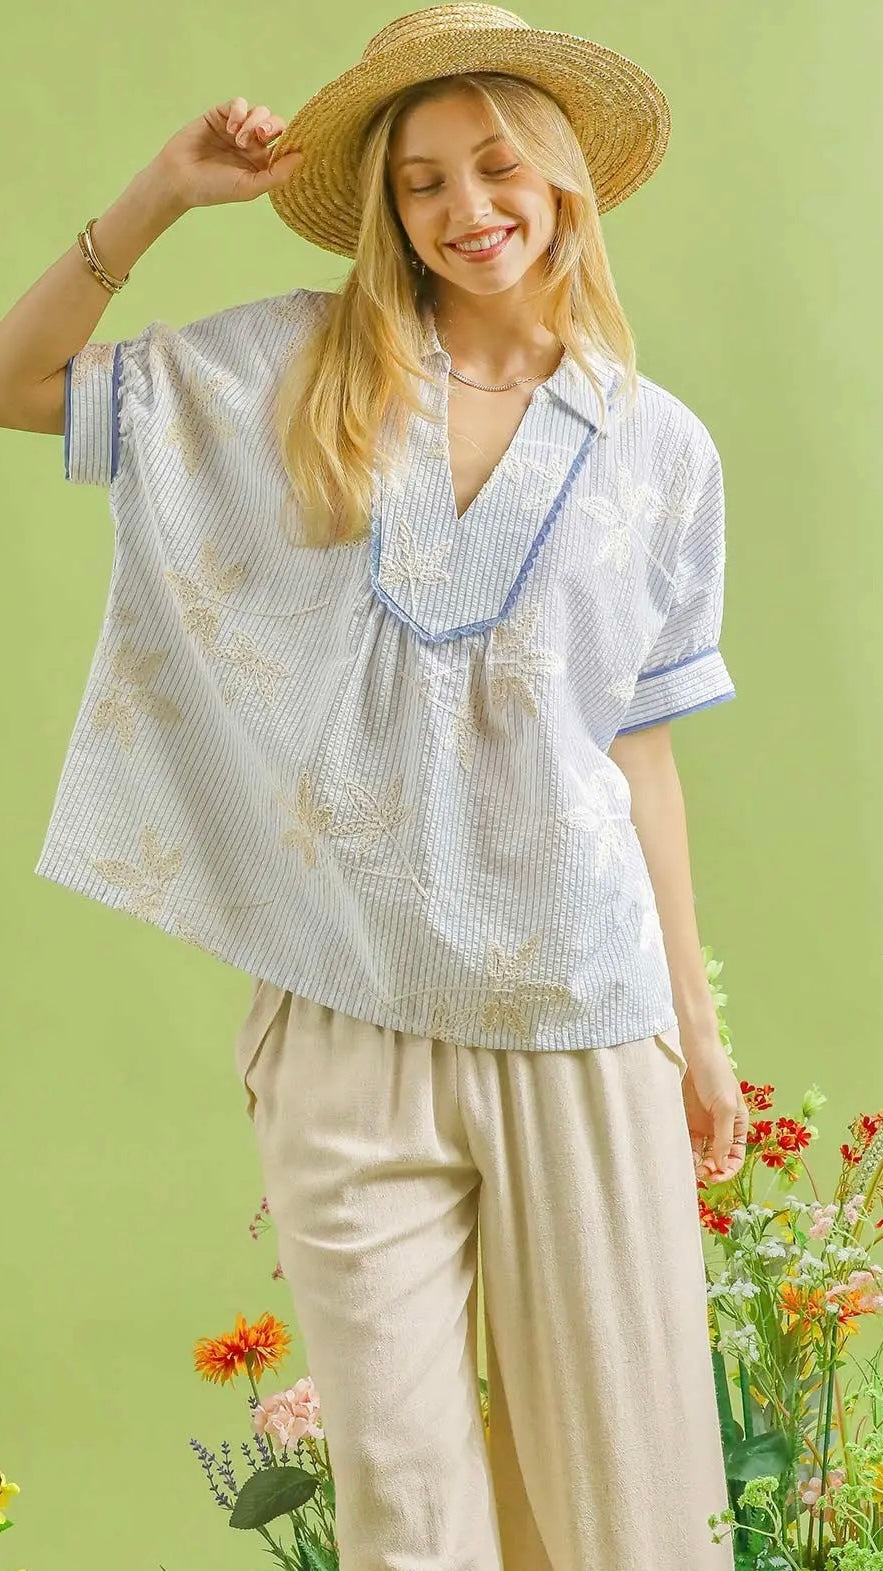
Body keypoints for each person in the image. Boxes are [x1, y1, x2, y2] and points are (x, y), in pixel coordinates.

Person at [0, 5, 747, 1567]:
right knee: (405, 1519)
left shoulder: (660, 449)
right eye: (423, 182)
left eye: (498, 165)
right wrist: (158, 193)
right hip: (347, 1012)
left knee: (629, 1509)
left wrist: (695, 1027)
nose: (468, 207)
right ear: (388, 212)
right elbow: (18, 381)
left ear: (562, 176)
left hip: (579, 1012)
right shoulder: (294, 368)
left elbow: (640, 749)